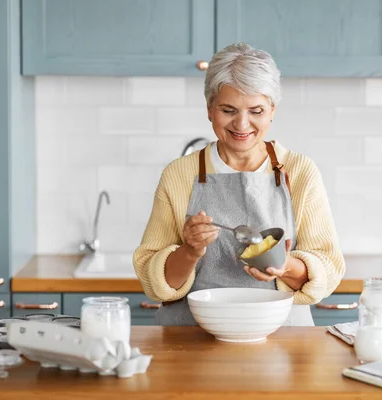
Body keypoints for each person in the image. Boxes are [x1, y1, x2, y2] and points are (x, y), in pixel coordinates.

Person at [132, 43, 345, 326]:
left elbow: (328, 268)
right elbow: (155, 283)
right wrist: (190, 251)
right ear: (210, 109)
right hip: (191, 342)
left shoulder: (299, 171)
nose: (242, 125)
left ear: (272, 110)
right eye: (228, 110)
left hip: (282, 342)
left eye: (256, 111)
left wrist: (284, 267)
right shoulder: (179, 174)